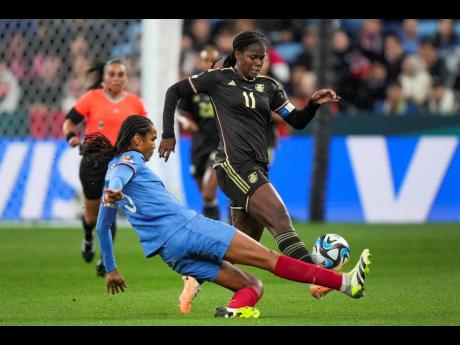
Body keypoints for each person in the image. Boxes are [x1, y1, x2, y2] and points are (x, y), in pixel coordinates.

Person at [94, 115, 372, 318]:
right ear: (136, 139)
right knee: (271, 260)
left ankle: (232, 311)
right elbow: (120, 177)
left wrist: (112, 269)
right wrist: (115, 189)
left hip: (172, 255)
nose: (154, 144)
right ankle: (346, 284)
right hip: (189, 230)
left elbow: (102, 228)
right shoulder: (128, 162)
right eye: (152, 138)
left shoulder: (110, 176)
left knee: (253, 287)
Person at [159, 31, 342, 301]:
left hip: (257, 166)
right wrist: (168, 133)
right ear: (237, 55)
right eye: (253, 57)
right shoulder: (218, 79)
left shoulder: (270, 87)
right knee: (280, 219)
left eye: (262, 58)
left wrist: (313, 104)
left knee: (242, 246)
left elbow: (298, 121)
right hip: (234, 166)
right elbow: (174, 91)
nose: (258, 62)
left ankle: (193, 276)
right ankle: (317, 277)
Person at [62, 59, 147, 276]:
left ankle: (104, 259)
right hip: (93, 162)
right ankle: (88, 236)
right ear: (104, 78)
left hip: (119, 164)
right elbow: (69, 122)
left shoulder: (135, 103)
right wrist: (72, 137)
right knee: (92, 215)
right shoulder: (91, 98)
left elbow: (144, 133)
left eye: (121, 74)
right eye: (112, 74)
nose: (117, 78)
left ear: (126, 78)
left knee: (109, 208)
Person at [175, 46, 222, 313]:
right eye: (203, 60)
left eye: (211, 60)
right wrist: (184, 121)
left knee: (207, 190)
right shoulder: (193, 85)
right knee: (205, 192)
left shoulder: (224, 82)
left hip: (220, 141)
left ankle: (214, 233)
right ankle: (214, 231)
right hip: (199, 143)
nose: (207, 64)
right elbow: (180, 110)